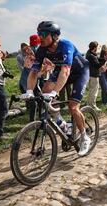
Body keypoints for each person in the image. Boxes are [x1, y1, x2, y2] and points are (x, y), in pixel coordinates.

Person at [21, 21, 91, 156]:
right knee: (44, 93)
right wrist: (29, 91)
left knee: (73, 106)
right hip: (61, 71)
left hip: (79, 72)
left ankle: (84, 136)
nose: (40, 37)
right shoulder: (42, 49)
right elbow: (34, 72)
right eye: (38, 34)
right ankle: (64, 125)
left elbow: (65, 71)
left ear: (54, 36)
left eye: (43, 34)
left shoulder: (66, 45)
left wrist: (55, 92)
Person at [86, 41, 104, 111]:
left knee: (91, 91)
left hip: (91, 74)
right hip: (94, 75)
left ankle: (89, 104)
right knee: (94, 91)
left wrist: (103, 59)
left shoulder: (90, 53)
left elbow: (97, 59)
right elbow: (97, 65)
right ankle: (92, 106)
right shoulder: (91, 56)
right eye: (97, 47)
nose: (98, 48)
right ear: (94, 48)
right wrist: (104, 61)